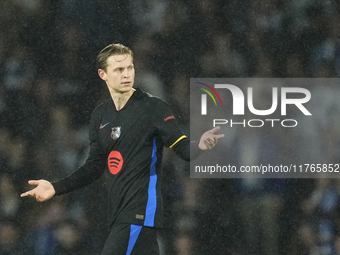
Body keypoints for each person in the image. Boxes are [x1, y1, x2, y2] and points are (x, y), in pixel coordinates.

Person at [21, 43, 224, 255]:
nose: (126, 74)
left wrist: (200, 145)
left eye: (130, 68)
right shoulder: (100, 116)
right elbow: (93, 167)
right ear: (103, 74)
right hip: (117, 213)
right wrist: (56, 187)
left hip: (141, 209)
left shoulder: (153, 108)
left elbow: (183, 148)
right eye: (119, 69)